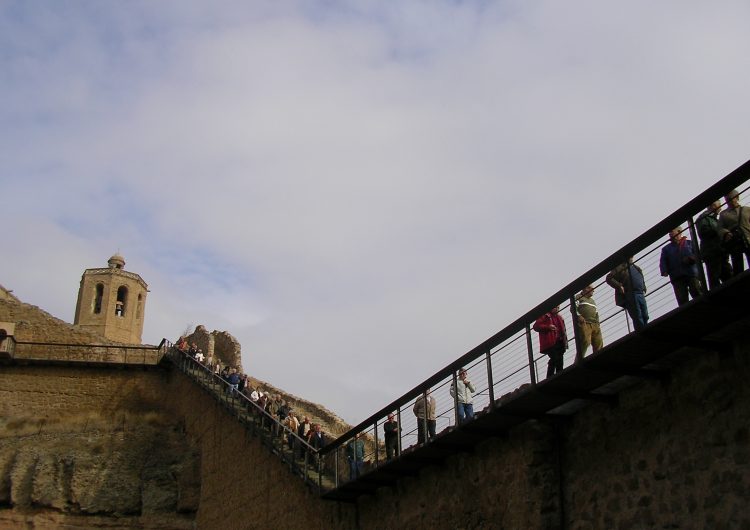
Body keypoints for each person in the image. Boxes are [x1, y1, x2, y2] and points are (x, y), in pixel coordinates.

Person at [659, 227, 704, 306]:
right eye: (669, 233)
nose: (670, 234)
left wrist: (691, 259)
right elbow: (663, 261)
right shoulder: (666, 249)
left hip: (691, 273)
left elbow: (699, 255)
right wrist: (664, 271)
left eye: (672, 231)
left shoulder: (690, 243)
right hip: (677, 276)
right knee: (682, 299)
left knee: (696, 291)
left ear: (679, 232)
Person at [606, 257, 649, 331]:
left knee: (645, 315)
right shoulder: (620, 268)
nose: (631, 257)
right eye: (630, 256)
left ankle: (646, 328)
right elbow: (609, 278)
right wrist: (619, 286)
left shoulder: (636, 267)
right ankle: (641, 331)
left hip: (640, 293)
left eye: (632, 256)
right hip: (631, 294)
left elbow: (641, 277)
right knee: (637, 315)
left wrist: (644, 287)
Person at [697, 201, 733, 289]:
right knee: (715, 277)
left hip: (719, 250)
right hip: (712, 252)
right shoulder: (704, 217)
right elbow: (704, 232)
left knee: (727, 274)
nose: (720, 208)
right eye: (719, 205)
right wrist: (720, 230)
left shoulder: (713, 218)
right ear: (713, 206)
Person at [719, 189, 750, 275]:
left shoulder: (747, 210)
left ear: (737, 197)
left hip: (748, 238)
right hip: (734, 241)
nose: (729, 201)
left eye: (731, 198)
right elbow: (720, 228)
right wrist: (726, 233)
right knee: (738, 267)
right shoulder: (723, 214)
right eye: (727, 200)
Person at [533, 305, 568, 378]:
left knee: (560, 359)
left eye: (558, 307)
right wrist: (548, 327)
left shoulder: (559, 317)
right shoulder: (545, 316)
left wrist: (564, 341)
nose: (557, 309)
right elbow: (536, 326)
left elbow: (563, 329)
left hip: (560, 341)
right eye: (555, 307)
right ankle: (550, 376)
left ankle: (559, 374)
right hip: (551, 342)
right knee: (555, 358)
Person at [575, 285, 603, 361]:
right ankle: (579, 359)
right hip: (585, 323)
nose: (593, 290)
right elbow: (573, 308)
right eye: (591, 288)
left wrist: (598, 323)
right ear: (585, 289)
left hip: (595, 324)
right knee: (585, 341)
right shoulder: (578, 297)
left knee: (598, 342)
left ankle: (598, 359)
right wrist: (579, 316)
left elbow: (596, 313)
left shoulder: (592, 301)